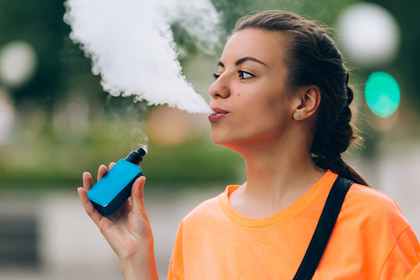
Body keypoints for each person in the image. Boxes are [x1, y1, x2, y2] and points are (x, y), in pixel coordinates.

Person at [78, 10, 420, 279]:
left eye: (245, 74)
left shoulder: (373, 223)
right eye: (219, 72)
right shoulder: (198, 229)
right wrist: (136, 259)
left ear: (303, 102)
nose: (216, 89)